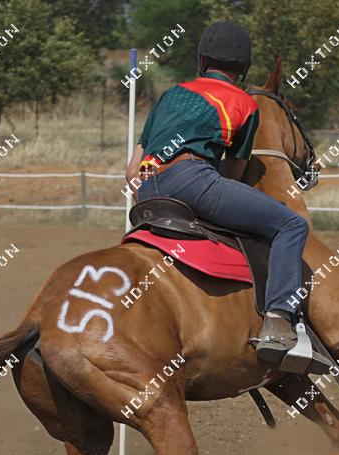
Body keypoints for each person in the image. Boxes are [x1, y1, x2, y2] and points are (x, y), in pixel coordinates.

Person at [125, 20, 310, 364]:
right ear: (243, 68)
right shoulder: (245, 103)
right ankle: (278, 320)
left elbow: (131, 171)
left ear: (202, 60)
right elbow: (234, 174)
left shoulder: (170, 94)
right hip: (193, 181)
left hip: (148, 191)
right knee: (291, 225)